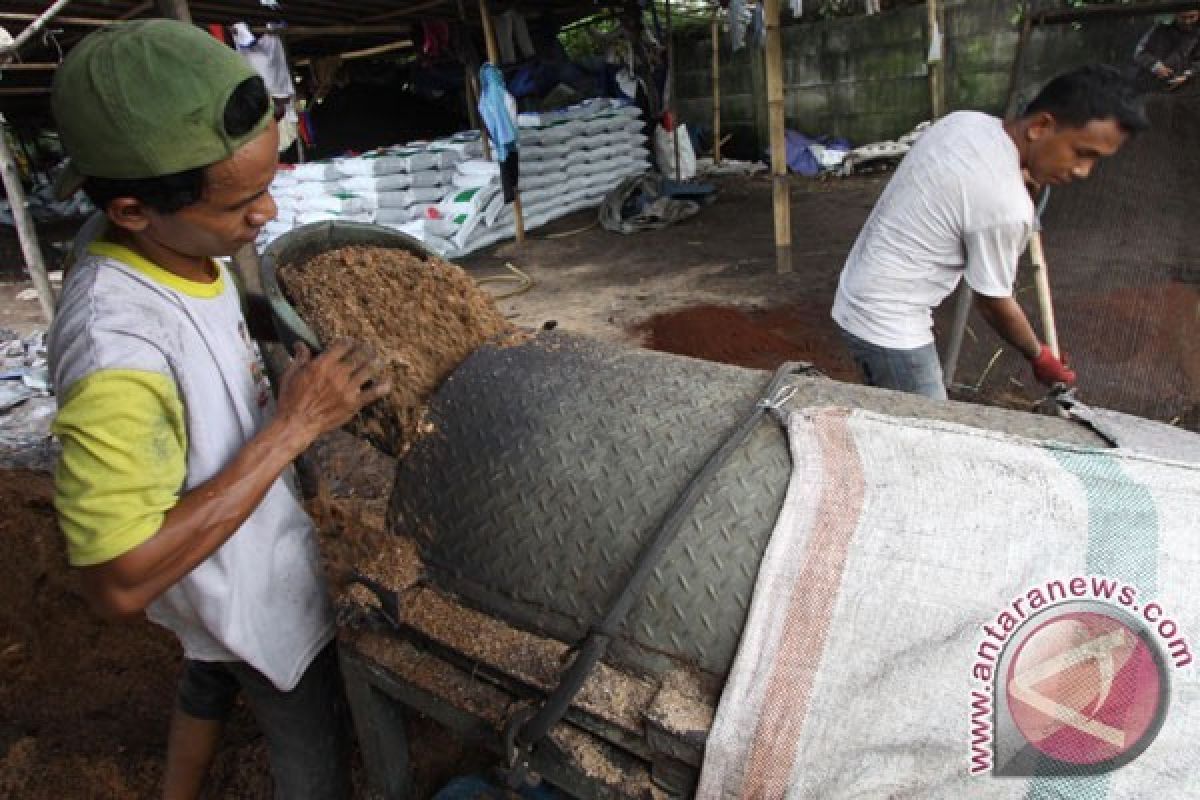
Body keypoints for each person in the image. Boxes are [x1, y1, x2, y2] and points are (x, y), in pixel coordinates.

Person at [47, 20, 390, 800]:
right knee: (309, 739)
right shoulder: (115, 351)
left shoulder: (157, 242)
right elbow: (118, 582)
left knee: (207, 666)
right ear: (135, 210)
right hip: (239, 584)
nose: (268, 213)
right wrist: (296, 426)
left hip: (217, 578)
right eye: (241, 201)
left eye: (269, 182)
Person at [831, 65, 1147, 400]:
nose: (1084, 171)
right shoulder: (1005, 206)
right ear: (1041, 126)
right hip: (887, 326)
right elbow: (993, 303)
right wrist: (1039, 357)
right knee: (933, 435)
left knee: (897, 414)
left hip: (858, 291)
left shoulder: (964, 122)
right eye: (1082, 153)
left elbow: (972, 184)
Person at [1133, 11, 1200, 92]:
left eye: (1192, 17)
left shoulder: (1198, 35)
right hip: (1149, 86)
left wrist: (1186, 76)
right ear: (1176, 14)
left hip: (1183, 89)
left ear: (1198, 14)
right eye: (1183, 17)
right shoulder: (1159, 29)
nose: (1187, 21)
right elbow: (1140, 52)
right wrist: (1156, 66)